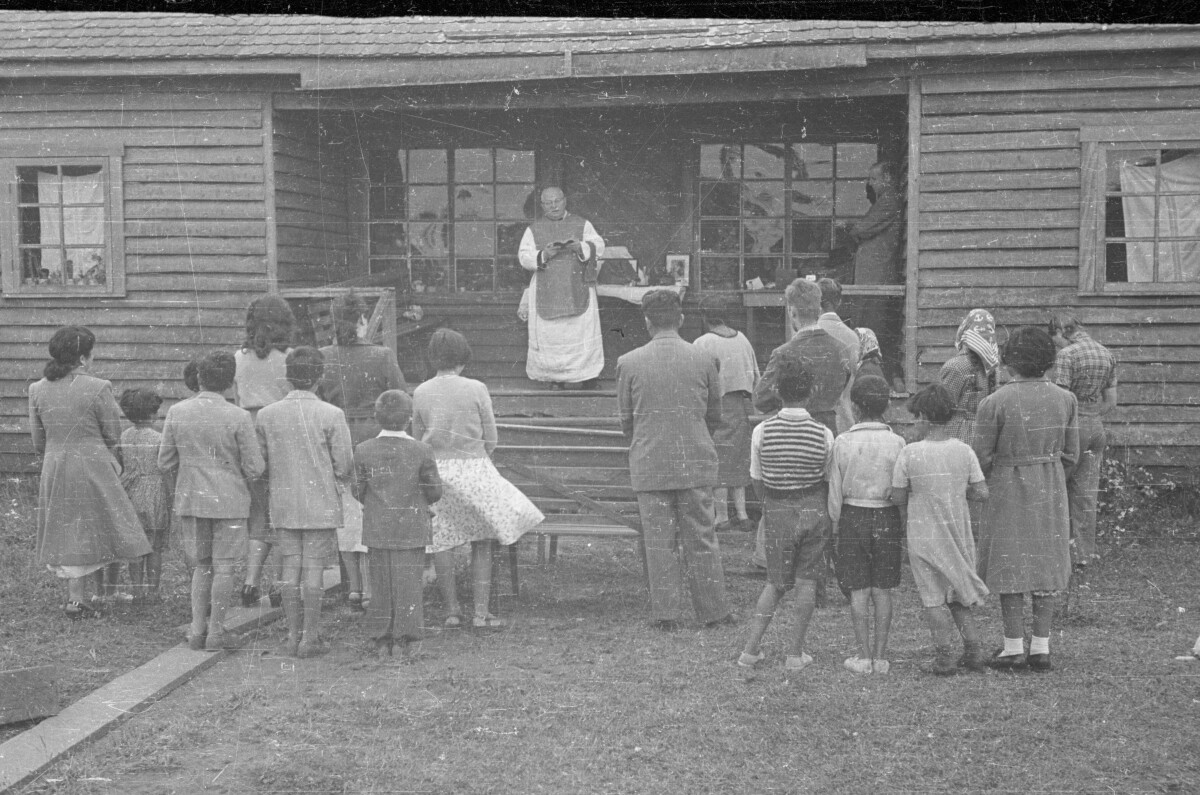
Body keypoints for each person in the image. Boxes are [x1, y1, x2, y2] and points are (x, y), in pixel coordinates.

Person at [616, 289, 733, 630]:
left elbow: (626, 420)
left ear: (647, 321)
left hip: (650, 462)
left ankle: (666, 614)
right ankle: (714, 612)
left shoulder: (628, 363)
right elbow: (715, 415)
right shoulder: (704, 360)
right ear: (681, 319)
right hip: (695, 459)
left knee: (659, 541)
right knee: (702, 537)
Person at [412, 329, 543, 630]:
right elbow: (491, 437)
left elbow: (418, 441)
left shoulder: (420, 391)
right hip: (475, 469)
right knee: (483, 540)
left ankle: (451, 611)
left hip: (438, 474)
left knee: (443, 541)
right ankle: (481, 613)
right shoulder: (476, 388)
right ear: (463, 356)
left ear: (433, 358)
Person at [973, 327, 1079, 673]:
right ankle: (1041, 647)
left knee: (1010, 560)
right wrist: (1048, 476)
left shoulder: (993, 402)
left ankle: (1013, 646)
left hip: (1007, 485)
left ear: (1008, 362)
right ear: (1048, 361)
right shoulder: (1066, 399)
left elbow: (982, 456)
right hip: (1050, 485)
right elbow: (1071, 454)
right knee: (1046, 562)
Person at [29, 327, 150, 618]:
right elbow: (112, 433)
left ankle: (79, 595)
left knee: (69, 526)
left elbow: (37, 441)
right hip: (92, 462)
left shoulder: (37, 389)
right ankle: (82, 598)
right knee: (95, 524)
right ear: (83, 357)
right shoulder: (98, 386)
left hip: (55, 463)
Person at [159, 351, 265, 651]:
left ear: (200, 378)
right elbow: (255, 467)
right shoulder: (239, 416)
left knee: (201, 566)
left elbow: (165, 461)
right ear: (231, 382)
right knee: (225, 567)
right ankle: (217, 633)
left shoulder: (177, 412)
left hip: (192, 500)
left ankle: (196, 631)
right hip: (230, 501)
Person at [256, 347, 354, 658]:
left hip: (283, 501)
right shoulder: (331, 414)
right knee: (314, 568)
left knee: (290, 567)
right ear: (319, 376)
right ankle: (310, 637)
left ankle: (291, 635)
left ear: (287, 376)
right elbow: (345, 463)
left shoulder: (266, 414)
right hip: (320, 501)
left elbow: (260, 463)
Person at [751, 278, 851, 584]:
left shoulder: (785, 352)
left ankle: (782, 565)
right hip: (827, 427)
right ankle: (818, 566)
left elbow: (760, 397)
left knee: (785, 498)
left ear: (792, 312)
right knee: (822, 500)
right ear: (819, 308)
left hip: (789, 428)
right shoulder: (843, 348)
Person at [737, 357, 834, 670]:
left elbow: (756, 478)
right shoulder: (824, 434)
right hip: (813, 508)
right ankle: (795, 653)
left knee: (775, 582)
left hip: (777, 508)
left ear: (777, 391)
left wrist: (770, 506)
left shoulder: (762, 431)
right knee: (807, 583)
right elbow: (826, 478)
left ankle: (750, 650)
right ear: (811, 392)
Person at [317, 291, 409, 610]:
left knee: (346, 511)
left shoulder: (323, 355)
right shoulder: (381, 355)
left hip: (336, 435)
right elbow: (399, 395)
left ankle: (354, 587)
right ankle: (370, 587)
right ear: (361, 320)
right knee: (372, 508)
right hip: (374, 434)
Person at [892, 384, 991, 675]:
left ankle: (945, 656)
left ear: (923, 416)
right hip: (957, 532)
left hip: (923, 534)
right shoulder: (964, 450)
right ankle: (974, 651)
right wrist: (956, 491)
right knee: (959, 593)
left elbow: (898, 496)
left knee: (932, 597)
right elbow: (982, 492)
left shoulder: (910, 453)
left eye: (915, 418)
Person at [352, 390, 442, 658]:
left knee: (380, 585)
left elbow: (356, 489)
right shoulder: (422, 450)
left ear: (376, 417)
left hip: (378, 527)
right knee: (409, 584)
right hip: (412, 527)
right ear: (409, 419)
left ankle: (380, 639)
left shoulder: (363, 450)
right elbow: (435, 491)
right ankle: (407, 640)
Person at [827, 376, 907, 675]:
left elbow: (834, 489)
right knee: (882, 589)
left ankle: (863, 657)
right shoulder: (897, 441)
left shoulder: (843, 441)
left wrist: (834, 523)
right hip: (887, 516)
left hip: (852, 517)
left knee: (859, 589)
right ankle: (881, 657)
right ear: (886, 404)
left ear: (856, 407)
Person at [234, 294, 296, 608]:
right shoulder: (290, 358)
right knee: (283, 509)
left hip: (249, 432)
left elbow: (236, 398)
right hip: (281, 432)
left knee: (258, 510)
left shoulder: (238, 358)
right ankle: (278, 584)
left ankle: (250, 581)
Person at [1050, 312, 1117, 579]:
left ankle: (1058, 549)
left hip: (1072, 425)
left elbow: (1060, 398)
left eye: (1054, 338)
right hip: (1095, 427)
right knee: (1086, 493)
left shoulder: (1067, 355)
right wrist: (1091, 415)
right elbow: (1111, 401)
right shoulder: (1106, 354)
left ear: (1060, 332)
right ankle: (1084, 556)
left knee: (1058, 485)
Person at [518, 186, 606, 389]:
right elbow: (524, 255)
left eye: (557, 201)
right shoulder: (533, 229)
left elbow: (599, 245)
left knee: (581, 331)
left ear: (565, 200)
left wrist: (581, 247)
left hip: (578, 284)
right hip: (546, 286)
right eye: (548, 203)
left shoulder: (582, 224)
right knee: (553, 334)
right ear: (542, 206)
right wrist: (544, 254)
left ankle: (587, 377)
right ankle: (555, 378)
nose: (554, 206)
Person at [692, 294, 759, 532]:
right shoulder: (743, 340)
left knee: (718, 458)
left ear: (704, 316)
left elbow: (695, 381)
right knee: (739, 458)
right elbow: (755, 375)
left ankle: (721, 516)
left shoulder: (703, 343)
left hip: (716, 407)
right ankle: (740, 514)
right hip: (740, 405)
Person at [842, 161, 906, 393]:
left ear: (887, 179)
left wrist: (853, 228)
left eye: (874, 179)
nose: (870, 183)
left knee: (871, 329)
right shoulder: (884, 202)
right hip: (871, 279)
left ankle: (875, 380)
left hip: (876, 279)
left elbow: (862, 229)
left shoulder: (889, 201)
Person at [117, 388, 172, 602]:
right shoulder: (159, 438)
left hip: (130, 491)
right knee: (155, 546)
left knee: (136, 546)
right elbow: (165, 467)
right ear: (152, 413)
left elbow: (121, 463)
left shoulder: (125, 435)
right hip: (153, 492)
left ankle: (137, 591)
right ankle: (153, 592)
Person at [938, 308, 999, 448]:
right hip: (984, 433)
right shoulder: (992, 366)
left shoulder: (956, 366)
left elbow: (941, 406)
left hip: (958, 433)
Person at [816, 278, 861, 434]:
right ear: (839, 302)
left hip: (816, 422)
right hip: (845, 420)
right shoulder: (852, 337)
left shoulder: (809, 333)